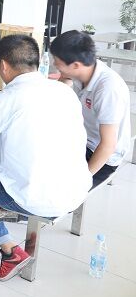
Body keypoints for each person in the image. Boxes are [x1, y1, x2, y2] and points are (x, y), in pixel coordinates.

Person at [0, 35, 92, 281]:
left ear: (3, 65)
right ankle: (4, 210)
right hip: (76, 188)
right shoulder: (63, 92)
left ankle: (10, 251)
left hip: (37, 196)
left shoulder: (5, 99)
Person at [50, 30, 132, 187]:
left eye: (57, 61)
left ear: (75, 65)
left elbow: (108, 145)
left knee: (60, 191)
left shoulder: (108, 89)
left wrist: (83, 179)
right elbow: (62, 88)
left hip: (101, 156)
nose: (54, 64)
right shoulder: (82, 70)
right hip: (82, 141)